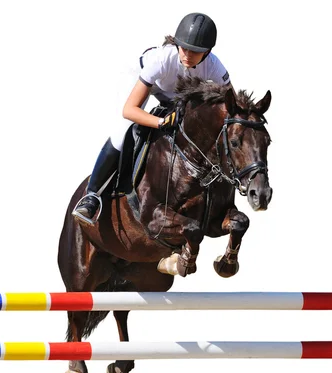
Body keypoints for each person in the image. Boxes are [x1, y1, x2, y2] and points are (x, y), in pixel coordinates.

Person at [72, 12, 232, 224]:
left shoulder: (214, 66)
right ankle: (91, 197)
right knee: (124, 129)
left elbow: (231, 109)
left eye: (195, 52)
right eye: (183, 48)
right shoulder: (161, 60)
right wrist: (160, 122)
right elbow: (129, 109)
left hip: (175, 90)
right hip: (143, 81)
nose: (187, 55)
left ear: (208, 52)